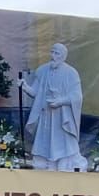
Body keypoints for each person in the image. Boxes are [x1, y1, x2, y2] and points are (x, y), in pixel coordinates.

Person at [19, 43, 86, 172]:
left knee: (64, 143)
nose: (53, 56)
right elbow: (35, 92)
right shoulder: (42, 70)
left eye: (57, 53)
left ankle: (63, 164)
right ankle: (45, 163)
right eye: (52, 52)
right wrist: (25, 87)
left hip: (62, 117)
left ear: (63, 57)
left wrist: (60, 101)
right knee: (45, 142)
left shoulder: (71, 73)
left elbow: (77, 96)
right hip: (46, 115)